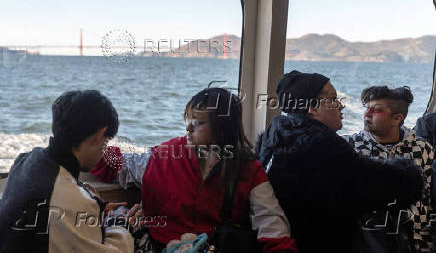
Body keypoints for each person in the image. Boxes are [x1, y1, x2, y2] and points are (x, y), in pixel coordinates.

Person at [91, 88, 299, 253]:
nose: (188, 128)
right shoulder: (165, 155)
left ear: (222, 126)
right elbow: (118, 165)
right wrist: (84, 145)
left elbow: (271, 224)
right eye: (188, 120)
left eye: (198, 122)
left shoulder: (248, 170)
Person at [255, 70, 424, 253]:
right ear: (312, 108)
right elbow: (383, 185)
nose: (340, 106)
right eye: (333, 99)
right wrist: (410, 174)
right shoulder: (323, 147)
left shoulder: (277, 134)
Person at [0, 90, 134, 253]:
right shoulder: (70, 199)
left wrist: (98, 207)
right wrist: (120, 223)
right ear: (98, 136)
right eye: (105, 143)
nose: (103, 151)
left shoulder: (26, 160)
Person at [344, 86, 435, 252]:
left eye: (376, 110)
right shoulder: (350, 148)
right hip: (368, 240)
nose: (366, 114)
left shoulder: (423, 149)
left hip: (416, 242)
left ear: (397, 119)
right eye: (366, 108)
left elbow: (428, 200)